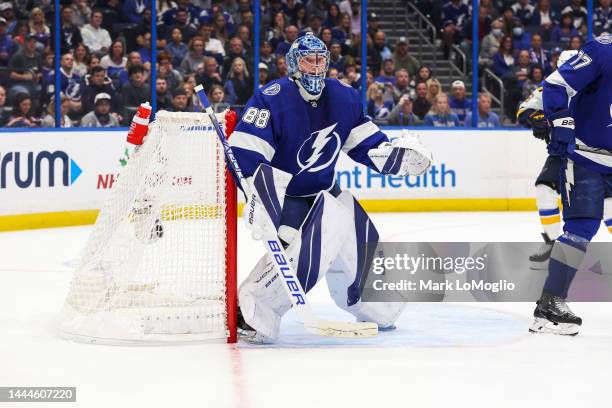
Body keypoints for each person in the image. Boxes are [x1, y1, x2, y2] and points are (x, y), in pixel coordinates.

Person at [229, 33, 432, 343]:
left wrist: (394, 158)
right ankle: (254, 311)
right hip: (288, 198)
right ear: (294, 64)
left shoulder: (343, 97)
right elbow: (245, 154)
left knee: (352, 225)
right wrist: (260, 198)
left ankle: (379, 306)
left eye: (321, 60)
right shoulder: (271, 98)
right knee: (316, 238)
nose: (315, 67)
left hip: (325, 191)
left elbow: (366, 143)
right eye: (309, 60)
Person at [530, 35, 612, 336]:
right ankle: (550, 303)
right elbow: (555, 84)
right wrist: (561, 121)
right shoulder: (604, 50)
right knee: (581, 229)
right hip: (587, 157)